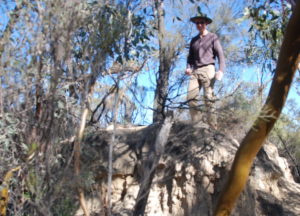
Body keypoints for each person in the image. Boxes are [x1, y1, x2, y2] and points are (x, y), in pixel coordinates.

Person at [186, 14, 225, 129]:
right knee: (190, 97)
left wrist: (221, 70)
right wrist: (188, 67)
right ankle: (197, 124)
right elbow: (190, 58)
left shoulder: (213, 37)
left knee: (208, 97)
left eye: (201, 22)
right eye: (197, 23)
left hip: (208, 69)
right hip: (195, 70)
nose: (199, 25)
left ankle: (213, 126)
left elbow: (220, 55)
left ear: (206, 23)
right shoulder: (193, 40)